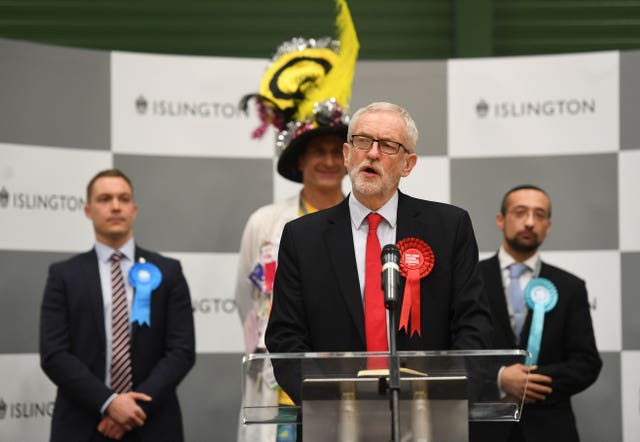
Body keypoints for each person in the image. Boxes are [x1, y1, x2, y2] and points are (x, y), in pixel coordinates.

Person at [265, 101, 494, 403]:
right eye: (362, 141)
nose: (372, 153)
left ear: (408, 164)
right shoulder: (302, 236)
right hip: (334, 417)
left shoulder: (449, 228)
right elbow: (285, 336)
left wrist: (447, 397)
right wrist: (322, 399)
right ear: (347, 154)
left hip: (429, 416)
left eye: (387, 145)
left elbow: (474, 326)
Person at [235, 1, 359, 440]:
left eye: (335, 152)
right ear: (299, 160)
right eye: (316, 151)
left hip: (353, 384)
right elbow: (246, 302)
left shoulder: (368, 223)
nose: (327, 160)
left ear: (348, 160)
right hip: (279, 386)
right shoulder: (266, 223)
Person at [39, 169, 196, 442]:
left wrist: (133, 408)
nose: (115, 206)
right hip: (84, 423)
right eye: (104, 199)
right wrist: (109, 403)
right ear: (88, 210)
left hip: (153, 422)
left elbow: (181, 351)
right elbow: (54, 354)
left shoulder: (168, 271)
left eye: (123, 198)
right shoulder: (63, 276)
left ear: (133, 210)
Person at [476, 184, 601, 442]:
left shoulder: (570, 287)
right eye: (520, 212)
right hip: (484, 427)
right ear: (501, 220)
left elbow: (587, 362)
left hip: (550, 429)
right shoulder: (469, 280)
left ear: (549, 226)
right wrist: (499, 378)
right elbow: (453, 352)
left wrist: (531, 381)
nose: (530, 222)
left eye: (540, 215)